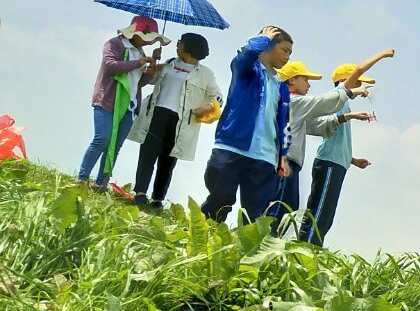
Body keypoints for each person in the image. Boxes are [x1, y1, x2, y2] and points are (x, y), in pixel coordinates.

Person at [273, 48, 392, 226]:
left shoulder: (303, 105)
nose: (309, 84)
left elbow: (315, 125)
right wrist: (382, 55)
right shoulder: (298, 101)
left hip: (296, 162)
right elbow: (325, 104)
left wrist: (351, 157)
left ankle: (279, 247)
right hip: (290, 161)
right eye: (305, 79)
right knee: (309, 215)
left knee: (292, 210)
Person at [200, 26, 294, 221]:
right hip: (232, 147)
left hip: (265, 156)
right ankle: (205, 237)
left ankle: (245, 250)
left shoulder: (281, 86)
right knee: (220, 199)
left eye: (290, 53)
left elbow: (284, 123)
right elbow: (246, 55)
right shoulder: (246, 70)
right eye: (285, 50)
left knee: (255, 214)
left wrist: (282, 156)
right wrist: (262, 39)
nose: (287, 57)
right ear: (268, 45)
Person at [128, 32, 222, 210]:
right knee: (147, 154)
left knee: (168, 161)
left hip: (180, 121)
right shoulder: (170, 64)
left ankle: (157, 199)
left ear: (189, 47)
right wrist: (154, 63)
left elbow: (217, 97)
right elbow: (147, 79)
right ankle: (140, 193)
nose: (177, 45)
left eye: (180, 42)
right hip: (157, 113)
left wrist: (209, 107)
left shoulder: (205, 74)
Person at [79, 16, 163, 189]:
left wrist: (151, 68)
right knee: (102, 139)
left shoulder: (140, 52)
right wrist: (137, 63)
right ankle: (82, 178)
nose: (149, 42)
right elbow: (110, 66)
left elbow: (138, 83)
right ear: (134, 32)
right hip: (108, 100)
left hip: (130, 105)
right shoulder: (115, 44)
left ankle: (101, 183)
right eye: (147, 37)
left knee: (115, 145)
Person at [300, 62, 378, 246]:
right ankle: (303, 252)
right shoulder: (338, 102)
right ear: (346, 81)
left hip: (336, 163)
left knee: (325, 216)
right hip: (329, 163)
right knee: (318, 213)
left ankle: (311, 252)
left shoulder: (344, 105)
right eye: (358, 82)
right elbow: (319, 123)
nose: (361, 86)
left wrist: (352, 160)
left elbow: (335, 139)